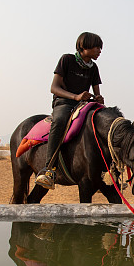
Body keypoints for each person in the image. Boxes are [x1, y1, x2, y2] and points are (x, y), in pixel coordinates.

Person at [35, 32, 105, 189]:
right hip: (64, 103)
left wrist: (99, 99)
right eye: (96, 47)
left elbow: (97, 92)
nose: (99, 51)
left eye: (100, 48)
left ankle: (103, 170)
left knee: (104, 120)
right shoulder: (67, 60)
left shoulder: (94, 68)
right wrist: (76, 97)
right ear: (84, 46)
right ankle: (49, 169)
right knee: (59, 121)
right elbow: (54, 88)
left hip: (83, 103)